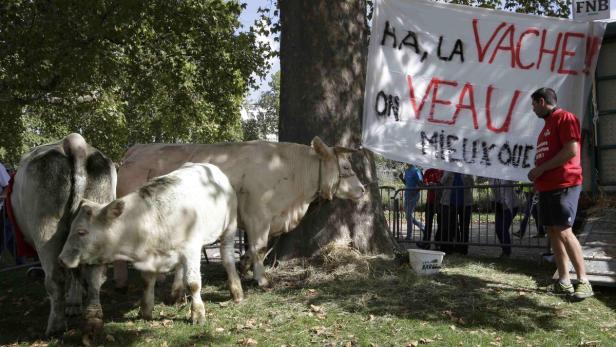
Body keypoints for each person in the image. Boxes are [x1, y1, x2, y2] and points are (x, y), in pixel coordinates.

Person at [528, 87, 593, 300]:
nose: (532, 109)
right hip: (547, 187)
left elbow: (571, 150)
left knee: (564, 230)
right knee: (552, 231)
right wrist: (538, 177)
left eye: (533, 104)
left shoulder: (565, 118)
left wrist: (542, 168)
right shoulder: (546, 127)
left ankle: (583, 281)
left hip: (565, 183)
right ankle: (564, 280)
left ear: (541, 101)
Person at [437, 171, 474, 254]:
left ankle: (463, 250)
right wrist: (448, 173)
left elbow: (472, 184)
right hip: (448, 202)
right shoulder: (448, 170)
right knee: (448, 227)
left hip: (465, 204)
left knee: (464, 227)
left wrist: (467, 175)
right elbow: (442, 182)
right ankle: (447, 248)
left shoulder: (467, 171)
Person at [490, 178, 518, 257]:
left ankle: (507, 252)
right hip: (499, 206)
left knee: (503, 228)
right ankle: (505, 250)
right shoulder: (491, 176)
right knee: (498, 229)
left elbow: (515, 179)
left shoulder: (507, 174)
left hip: (511, 206)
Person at [417, 167, 443, 249]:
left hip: (440, 201)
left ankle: (438, 242)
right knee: (428, 222)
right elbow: (425, 184)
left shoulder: (443, 170)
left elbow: (444, 184)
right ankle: (426, 243)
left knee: (441, 222)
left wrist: (434, 185)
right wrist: (425, 184)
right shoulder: (428, 171)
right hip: (430, 201)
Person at [398, 163, 425, 240]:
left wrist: (415, 191)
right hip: (407, 195)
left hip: (414, 196)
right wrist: (401, 178)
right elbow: (407, 184)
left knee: (408, 215)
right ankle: (422, 227)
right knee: (407, 215)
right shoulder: (406, 171)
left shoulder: (416, 170)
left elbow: (421, 184)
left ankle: (409, 236)